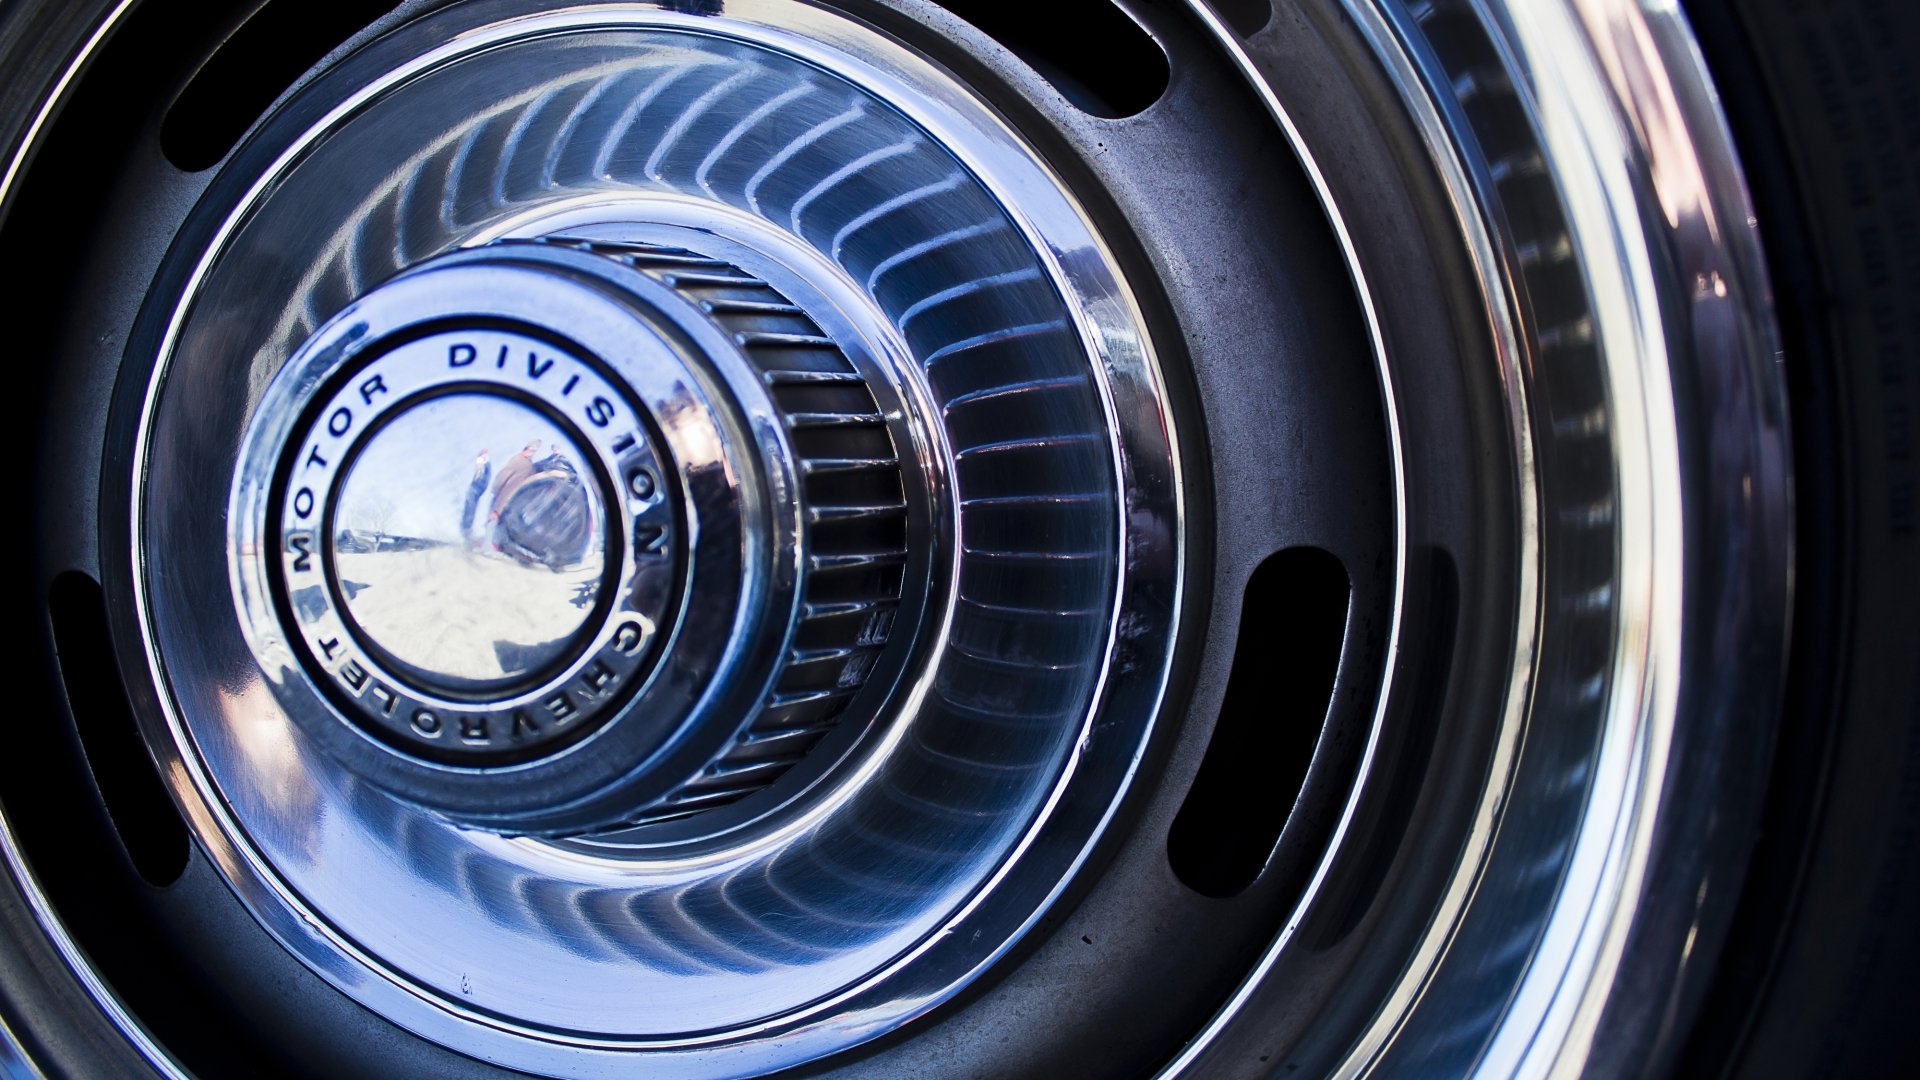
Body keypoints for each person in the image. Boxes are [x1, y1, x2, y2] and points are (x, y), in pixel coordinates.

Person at [487, 441, 540, 523]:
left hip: (514, 501)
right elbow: (503, 476)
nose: (531, 453)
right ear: (525, 449)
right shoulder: (517, 460)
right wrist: (496, 488)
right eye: (530, 450)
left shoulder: (528, 464)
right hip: (504, 498)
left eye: (533, 451)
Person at [460, 448, 490, 540]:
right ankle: (467, 531)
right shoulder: (484, 464)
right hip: (477, 487)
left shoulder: (483, 463)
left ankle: (467, 531)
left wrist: (483, 460)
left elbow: (480, 474)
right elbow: (480, 474)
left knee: (470, 507)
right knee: (470, 507)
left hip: (476, 487)